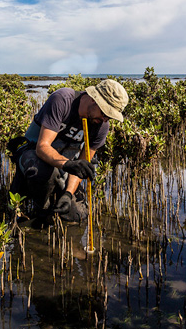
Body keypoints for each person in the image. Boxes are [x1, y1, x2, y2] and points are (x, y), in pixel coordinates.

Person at [9, 79, 129, 224]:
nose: (105, 119)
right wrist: (68, 165)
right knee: (44, 172)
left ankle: (57, 196)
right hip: (33, 154)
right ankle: (40, 207)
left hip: (63, 166)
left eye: (109, 117)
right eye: (104, 112)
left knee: (77, 215)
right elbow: (42, 148)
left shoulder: (101, 126)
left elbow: (83, 163)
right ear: (93, 99)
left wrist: (68, 193)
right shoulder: (63, 100)